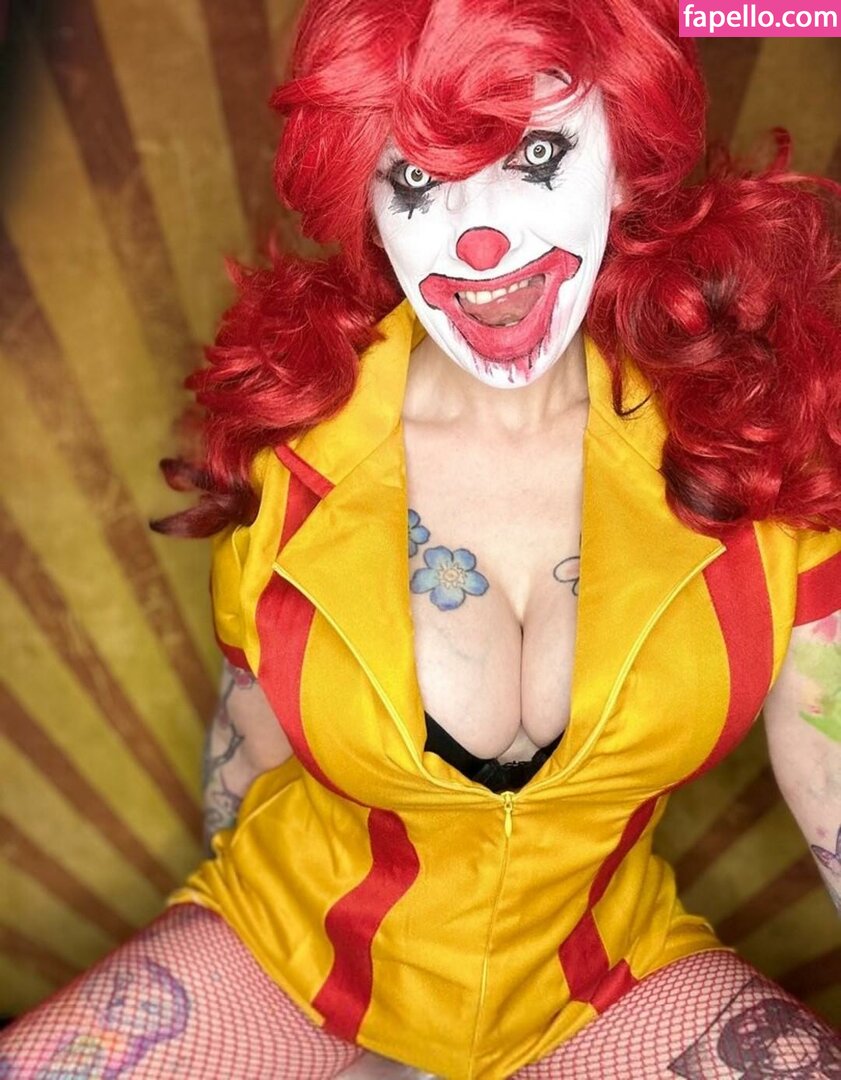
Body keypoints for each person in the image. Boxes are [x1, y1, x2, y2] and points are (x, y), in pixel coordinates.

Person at [2, 0, 840, 1076]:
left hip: (602, 983)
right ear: (365, 204)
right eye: (414, 178)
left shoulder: (758, 446)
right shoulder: (289, 449)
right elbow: (246, 759)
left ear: (629, 160)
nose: (478, 240)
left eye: (534, 155)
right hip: (292, 956)